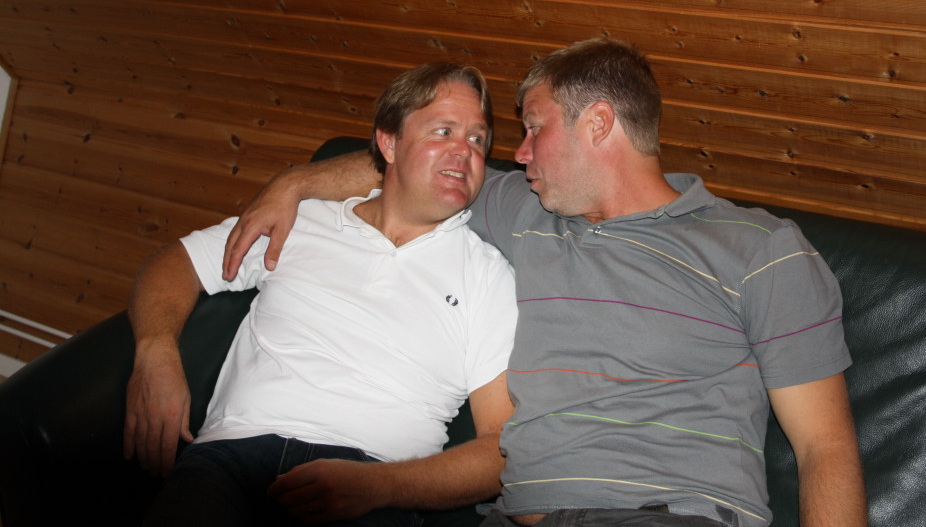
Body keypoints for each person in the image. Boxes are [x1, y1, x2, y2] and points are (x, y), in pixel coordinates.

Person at [222, 38, 868, 527]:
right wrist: (293, 184)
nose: (519, 152)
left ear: (598, 124)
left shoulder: (759, 250)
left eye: (533, 127)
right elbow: (410, 167)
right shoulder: (524, 210)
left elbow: (824, 448)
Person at [123, 62, 519, 526]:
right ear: (389, 143)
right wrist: (155, 351)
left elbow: (501, 450)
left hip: (372, 484)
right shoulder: (300, 221)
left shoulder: (488, 275)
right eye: (444, 131)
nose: (464, 151)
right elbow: (176, 262)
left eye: (477, 139)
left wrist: (380, 486)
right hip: (230, 460)